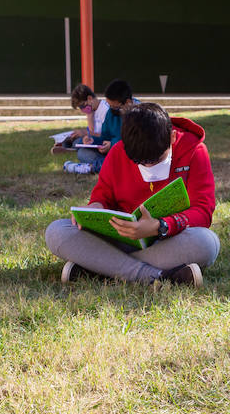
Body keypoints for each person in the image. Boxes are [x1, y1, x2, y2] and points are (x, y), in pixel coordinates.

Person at [45, 101, 218, 286]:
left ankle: (100, 268)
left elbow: (203, 211)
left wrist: (160, 226)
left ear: (173, 137)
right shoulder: (118, 152)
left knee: (206, 243)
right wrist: (95, 207)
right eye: (140, 161)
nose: (148, 166)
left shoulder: (194, 151)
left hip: (167, 240)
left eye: (155, 159)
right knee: (57, 232)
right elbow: (102, 196)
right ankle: (155, 276)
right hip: (120, 239)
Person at [63, 79, 138, 175]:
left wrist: (111, 145)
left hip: (129, 156)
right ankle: (104, 165)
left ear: (128, 103)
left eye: (114, 107)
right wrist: (94, 141)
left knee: (126, 163)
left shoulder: (138, 115)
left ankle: (93, 167)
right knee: (82, 153)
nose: (111, 110)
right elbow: (105, 135)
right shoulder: (111, 112)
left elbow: (132, 144)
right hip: (112, 153)